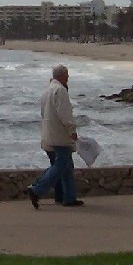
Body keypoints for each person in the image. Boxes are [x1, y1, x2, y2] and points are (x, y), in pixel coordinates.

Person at [24, 64, 83, 208]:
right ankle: (37, 189)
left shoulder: (47, 91)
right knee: (61, 164)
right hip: (59, 135)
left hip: (48, 134)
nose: (68, 78)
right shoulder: (60, 91)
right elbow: (65, 114)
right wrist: (72, 130)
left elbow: (43, 114)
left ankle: (66, 197)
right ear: (62, 76)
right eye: (67, 75)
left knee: (66, 166)